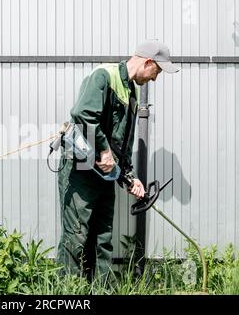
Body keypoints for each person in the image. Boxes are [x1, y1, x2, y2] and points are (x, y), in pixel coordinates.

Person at [57, 40, 180, 282]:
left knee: (103, 237)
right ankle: (68, 292)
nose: (155, 79)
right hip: (81, 171)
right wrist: (103, 151)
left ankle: (102, 289)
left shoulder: (131, 93)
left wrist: (131, 178)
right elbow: (82, 113)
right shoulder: (104, 77)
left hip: (105, 176)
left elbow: (122, 146)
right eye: (157, 71)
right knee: (77, 237)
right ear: (147, 62)